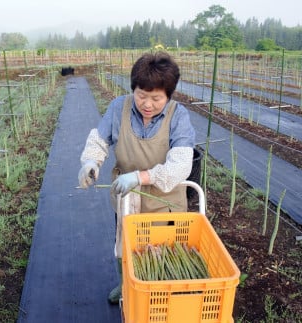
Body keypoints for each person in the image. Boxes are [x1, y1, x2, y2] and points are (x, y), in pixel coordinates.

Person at [77, 51, 196, 304]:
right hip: (126, 198)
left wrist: (141, 176)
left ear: (168, 95)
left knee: (162, 251)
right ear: (134, 89)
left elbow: (181, 165)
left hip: (165, 202)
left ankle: (160, 295)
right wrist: (90, 162)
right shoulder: (119, 107)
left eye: (156, 98)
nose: (147, 104)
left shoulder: (179, 116)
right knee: (125, 245)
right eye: (141, 95)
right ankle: (125, 287)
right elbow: (99, 140)